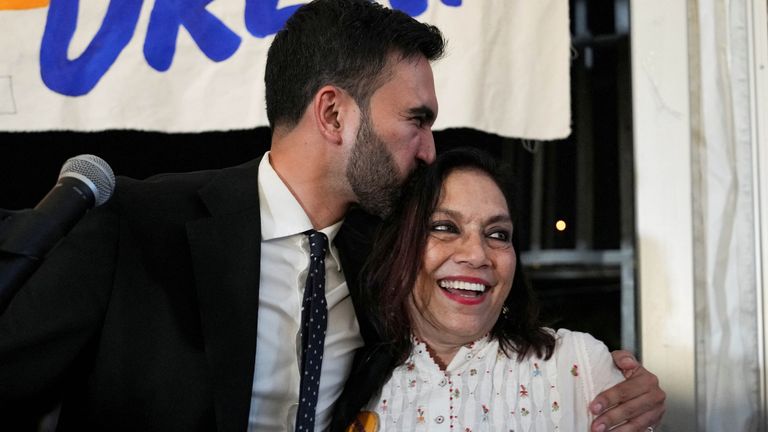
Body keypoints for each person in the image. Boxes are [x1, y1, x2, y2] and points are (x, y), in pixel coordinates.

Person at [0, 1, 663, 431]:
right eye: (416, 120)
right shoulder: (136, 226)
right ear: (335, 114)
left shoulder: (387, 260)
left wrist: (616, 385)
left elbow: (476, 355)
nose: (429, 148)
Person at [332, 147, 645, 431]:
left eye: (497, 234)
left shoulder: (577, 365)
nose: (477, 255)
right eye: (444, 227)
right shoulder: (343, 375)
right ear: (398, 246)